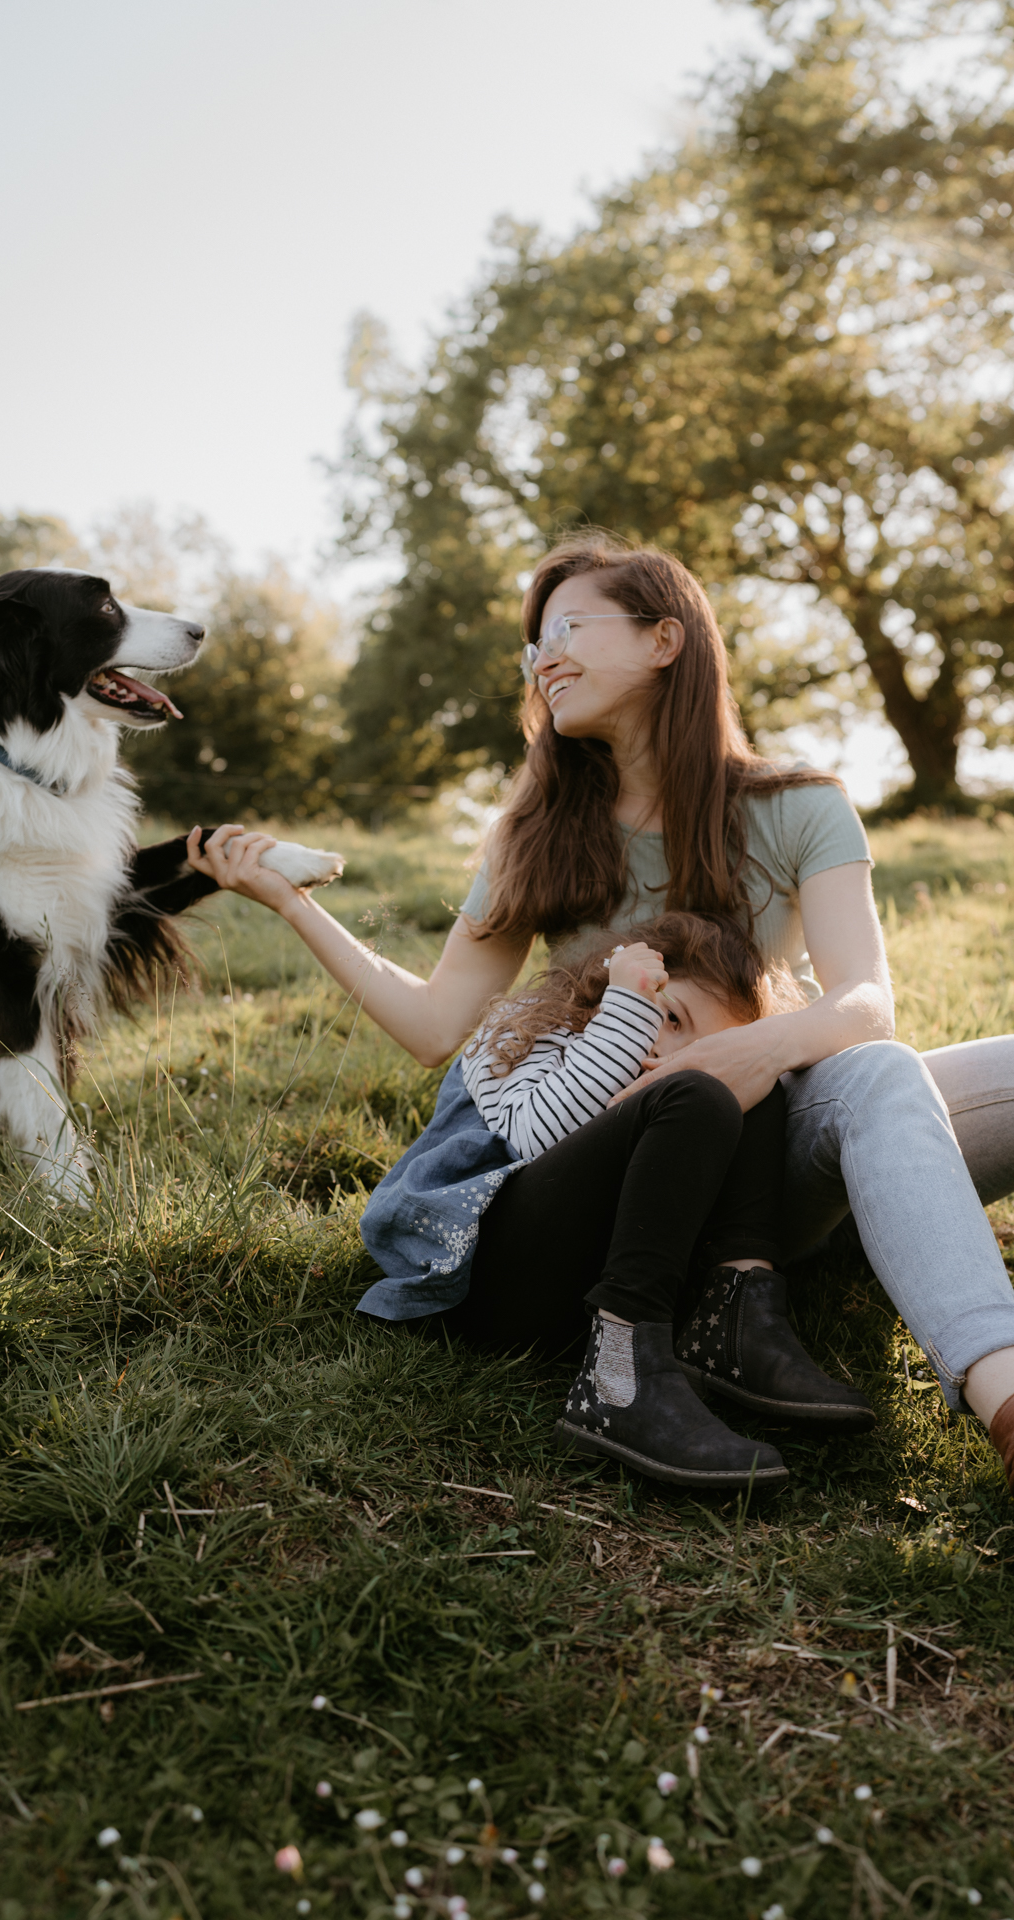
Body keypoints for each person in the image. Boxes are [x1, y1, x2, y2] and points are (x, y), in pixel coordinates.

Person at [187, 532, 1014, 1493]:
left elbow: (866, 999)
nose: (545, 657)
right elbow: (431, 1025)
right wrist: (294, 906)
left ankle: (995, 1389)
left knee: (875, 1064)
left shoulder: (800, 804)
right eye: (535, 643)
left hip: (770, 1140)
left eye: (571, 626)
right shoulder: (532, 836)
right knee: (802, 1084)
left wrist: (749, 1052)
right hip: (620, 1163)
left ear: (666, 640)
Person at [451, 910, 870, 1488]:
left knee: (745, 1081)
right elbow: (533, 1136)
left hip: (586, 1292)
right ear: (610, 990)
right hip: (491, 1277)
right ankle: (616, 1386)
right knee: (700, 1087)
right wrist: (628, 1014)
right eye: (670, 1017)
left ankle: (734, 1322)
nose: (670, 1053)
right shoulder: (529, 1028)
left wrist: (720, 1074)